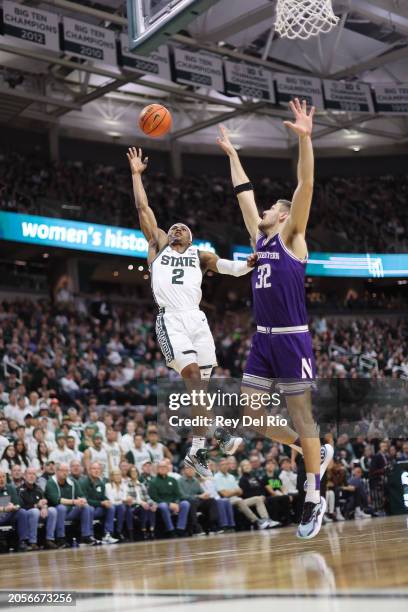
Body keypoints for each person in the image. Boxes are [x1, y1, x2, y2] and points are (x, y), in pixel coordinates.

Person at [216, 100, 333, 539]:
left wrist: (305, 138)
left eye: (269, 209)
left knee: (301, 415)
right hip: (263, 339)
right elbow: (243, 194)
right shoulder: (259, 241)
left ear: (282, 216)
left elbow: (306, 182)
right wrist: (232, 155)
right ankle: (313, 451)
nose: (261, 210)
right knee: (253, 414)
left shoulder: (293, 236)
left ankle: (311, 493)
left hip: (291, 339)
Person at [127, 146, 256, 478]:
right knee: (193, 379)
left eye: (182, 227)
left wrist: (249, 264)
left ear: (192, 235)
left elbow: (230, 268)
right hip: (171, 317)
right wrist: (136, 175)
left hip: (197, 319)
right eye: (173, 227)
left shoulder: (201, 255)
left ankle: (198, 450)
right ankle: (216, 433)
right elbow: (143, 208)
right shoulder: (157, 245)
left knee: (201, 388)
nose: (176, 229)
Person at [45, 462, 96, 547]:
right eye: (62, 470)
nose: (65, 473)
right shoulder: (51, 482)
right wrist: (74, 502)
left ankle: (86, 536)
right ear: (56, 471)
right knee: (61, 508)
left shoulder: (73, 481)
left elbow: (81, 495)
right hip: (56, 512)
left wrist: (82, 500)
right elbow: (56, 500)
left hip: (71, 512)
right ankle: (60, 538)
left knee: (86, 507)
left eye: (67, 471)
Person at [214, 458, 270, 530]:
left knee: (258, 499)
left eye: (226, 464)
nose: (225, 466)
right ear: (219, 466)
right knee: (239, 500)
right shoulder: (216, 477)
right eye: (222, 465)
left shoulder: (231, 476)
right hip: (226, 501)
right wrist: (235, 491)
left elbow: (240, 492)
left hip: (237, 499)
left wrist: (231, 492)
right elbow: (224, 494)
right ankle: (257, 521)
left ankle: (266, 520)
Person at [18, 466, 58, 549]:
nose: (32, 476)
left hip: (39, 513)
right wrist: (37, 506)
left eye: (34, 474)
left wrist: (44, 507)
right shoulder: (19, 490)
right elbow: (21, 506)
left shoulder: (38, 489)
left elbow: (44, 501)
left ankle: (49, 540)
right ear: (24, 476)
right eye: (29, 474)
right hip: (27, 515)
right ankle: (32, 542)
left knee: (53, 510)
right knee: (35, 511)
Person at [148, 460, 190, 537]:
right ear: (157, 469)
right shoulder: (153, 482)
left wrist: (176, 503)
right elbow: (154, 497)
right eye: (160, 467)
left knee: (185, 504)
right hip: (161, 504)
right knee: (163, 505)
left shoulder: (173, 480)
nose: (163, 469)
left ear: (168, 469)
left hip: (174, 503)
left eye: (164, 467)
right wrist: (169, 504)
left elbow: (178, 494)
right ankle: (171, 530)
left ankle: (180, 529)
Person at [80, 461, 118, 544]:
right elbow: (85, 500)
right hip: (86, 510)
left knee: (111, 507)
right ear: (89, 470)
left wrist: (107, 501)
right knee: (89, 508)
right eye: (94, 469)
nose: (96, 471)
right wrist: (101, 503)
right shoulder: (84, 483)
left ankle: (107, 534)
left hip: (97, 509)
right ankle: (89, 536)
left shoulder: (101, 483)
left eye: (98, 469)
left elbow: (102, 497)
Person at [179, 465, 220, 535]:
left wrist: (206, 495)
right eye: (188, 468)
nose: (191, 470)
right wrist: (198, 496)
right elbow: (182, 496)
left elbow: (202, 493)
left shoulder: (195, 481)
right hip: (186, 502)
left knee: (212, 501)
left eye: (192, 469)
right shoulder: (179, 481)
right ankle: (196, 528)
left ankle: (212, 526)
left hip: (198, 501)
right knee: (192, 502)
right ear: (184, 470)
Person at [238, 460, 279, 528]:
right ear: (242, 468)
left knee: (271, 499)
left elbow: (262, 487)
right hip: (249, 499)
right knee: (259, 499)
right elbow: (245, 493)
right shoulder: (242, 479)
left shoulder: (255, 477)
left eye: (248, 464)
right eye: (245, 465)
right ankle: (266, 520)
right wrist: (258, 496)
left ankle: (270, 520)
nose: (247, 466)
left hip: (259, 497)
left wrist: (263, 495)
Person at [0, 468, 28, 551]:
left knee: (22, 512)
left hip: (8, 515)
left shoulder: (10, 488)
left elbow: (19, 504)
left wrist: (14, 507)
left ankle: (23, 541)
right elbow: (5, 509)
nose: (1, 479)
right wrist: (5, 508)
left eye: (3, 476)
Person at [126, 465, 157, 540]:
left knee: (151, 507)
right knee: (144, 507)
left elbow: (147, 497)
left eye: (135, 471)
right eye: (132, 472)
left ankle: (151, 531)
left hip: (144, 505)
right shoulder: (126, 485)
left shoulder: (141, 485)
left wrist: (153, 503)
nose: (134, 473)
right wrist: (140, 503)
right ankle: (144, 532)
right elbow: (128, 499)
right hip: (133, 506)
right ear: (129, 474)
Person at [105, 469, 130, 541]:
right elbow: (111, 500)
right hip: (110, 505)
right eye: (115, 475)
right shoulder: (108, 486)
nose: (118, 476)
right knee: (113, 507)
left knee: (122, 508)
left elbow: (125, 498)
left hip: (120, 506)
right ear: (112, 477)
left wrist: (122, 500)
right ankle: (109, 533)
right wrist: (122, 500)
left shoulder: (124, 486)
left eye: (119, 474)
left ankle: (119, 531)